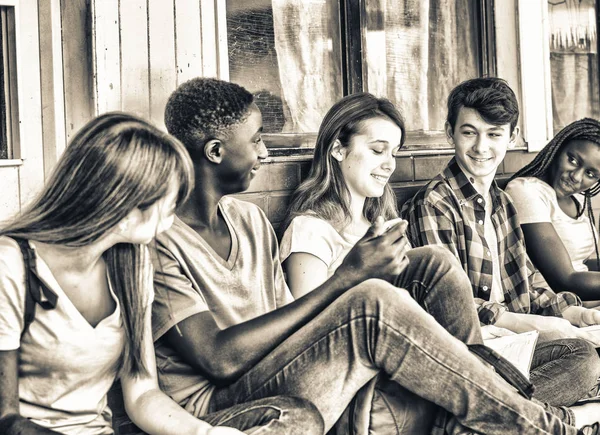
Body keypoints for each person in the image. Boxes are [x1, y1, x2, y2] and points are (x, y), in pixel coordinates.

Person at [151, 76, 600, 434]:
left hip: (280, 366)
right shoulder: (160, 240)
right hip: (224, 398)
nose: (265, 152)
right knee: (373, 302)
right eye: (257, 140)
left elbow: (287, 319)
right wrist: (347, 280)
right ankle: (532, 424)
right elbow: (218, 359)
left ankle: (473, 417)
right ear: (215, 151)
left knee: (432, 263)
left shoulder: (248, 220)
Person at [0, 112, 324, 435]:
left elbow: (142, 394)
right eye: (170, 203)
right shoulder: (11, 265)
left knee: (297, 419)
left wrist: (204, 433)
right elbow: (6, 421)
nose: (174, 216)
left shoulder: (131, 263)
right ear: (126, 203)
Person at [401, 77, 600, 408]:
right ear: (450, 132)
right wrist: (525, 322)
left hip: (515, 344)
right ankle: (485, 414)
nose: (482, 147)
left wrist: (571, 312)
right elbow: (450, 309)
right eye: (469, 132)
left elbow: (526, 284)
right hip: (469, 350)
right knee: (583, 362)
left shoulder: (503, 203)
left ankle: (492, 413)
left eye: (494, 134)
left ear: (512, 136)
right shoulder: (434, 204)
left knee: (583, 353)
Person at [505, 118, 600, 302]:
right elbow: (564, 281)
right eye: (572, 160)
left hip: (589, 305)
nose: (576, 177)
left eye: (590, 174)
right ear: (557, 149)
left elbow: (581, 263)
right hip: (552, 307)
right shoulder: (526, 191)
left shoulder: (579, 199)